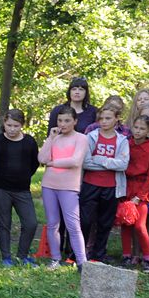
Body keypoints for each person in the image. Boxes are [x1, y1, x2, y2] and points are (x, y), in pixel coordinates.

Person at [47, 77, 97, 261]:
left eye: (81, 89)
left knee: (75, 215)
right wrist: (53, 161)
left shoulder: (92, 112)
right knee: (55, 217)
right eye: (74, 88)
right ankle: (56, 252)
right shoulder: (58, 111)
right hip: (56, 170)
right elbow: (50, 140)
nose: (77, 92)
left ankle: (76, 253)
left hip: (81, 168)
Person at [39, 105, 88, 270]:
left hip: (69, 187)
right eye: (60, 120)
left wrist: (53, 163)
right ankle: (55, 258)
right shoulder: (55, 138)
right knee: (53, 224)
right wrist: (50, 139)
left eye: (67, 120)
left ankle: (82, 262)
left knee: (73, 225)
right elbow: (42, 158)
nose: (63, 124)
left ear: (75, 121)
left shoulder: (81, 138)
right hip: (49, 185)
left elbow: (75, 161)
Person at [80, 103, 129, 263]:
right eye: (101, 118)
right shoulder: (91, 137)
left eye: (108, 118)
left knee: (105, 223)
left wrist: (101, 160)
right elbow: (86, 162)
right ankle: (79, 253)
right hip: (90, 184)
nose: (104, 121)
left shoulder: (122, 140)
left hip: (111, 187)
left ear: (116, 119)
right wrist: (111, 163)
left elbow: (123, 164)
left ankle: (98, 255)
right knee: (85, 220)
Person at [0, 109, 39, 267]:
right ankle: (6, 257)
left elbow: (34, 164)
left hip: (22, 190)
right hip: (1, 189)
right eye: (9, 125)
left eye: (16, 125)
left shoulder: (29, 142)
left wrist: (23, 176)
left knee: (31, 222)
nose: (12, 129)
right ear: (4, 123)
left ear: (22, 125)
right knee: (4, 223)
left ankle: (22, 254)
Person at [120, 115, 149, 273]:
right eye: (136, 127)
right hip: (125, 187)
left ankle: (147, 259)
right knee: (124, 223)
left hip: (141, 189)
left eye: (142, 128)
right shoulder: (126, 144)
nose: (138, 131)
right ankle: (126, 256)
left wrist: (140, 196)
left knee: (139, 225)